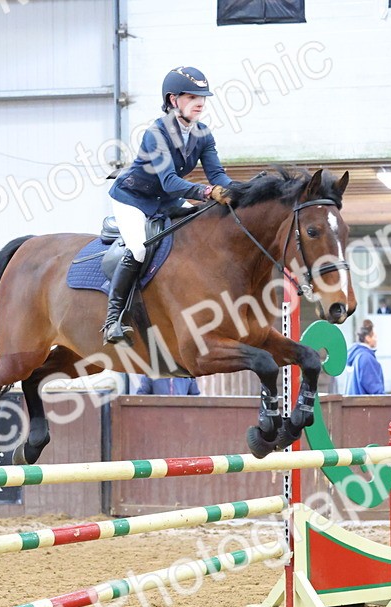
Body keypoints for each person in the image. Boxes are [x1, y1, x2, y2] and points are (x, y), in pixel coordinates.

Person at [104, 66, 233, 345]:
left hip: (164, 199)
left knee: (199, 230)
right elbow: (170, 181)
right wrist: (208, 191)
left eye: (203, 97)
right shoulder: (156, 134)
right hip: (133, 199)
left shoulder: (203, 134)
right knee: (139, 248)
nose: (200, 103)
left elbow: (218, 175)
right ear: (174, 101)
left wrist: (243, 191)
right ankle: (113, 319)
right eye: (192, 97)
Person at [343, 319, 385, 395]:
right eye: (375, 336)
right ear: (368, 338)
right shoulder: (366, 358)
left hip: (352, 405)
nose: (377, 340)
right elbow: (374, 389)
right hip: (364, 405)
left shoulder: (355, 355)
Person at [134, 375, 201, 395]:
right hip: (157, 418)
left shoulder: (188, 376)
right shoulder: (150, 375)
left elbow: (195, 398)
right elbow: (141, 396)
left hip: (181, 419)